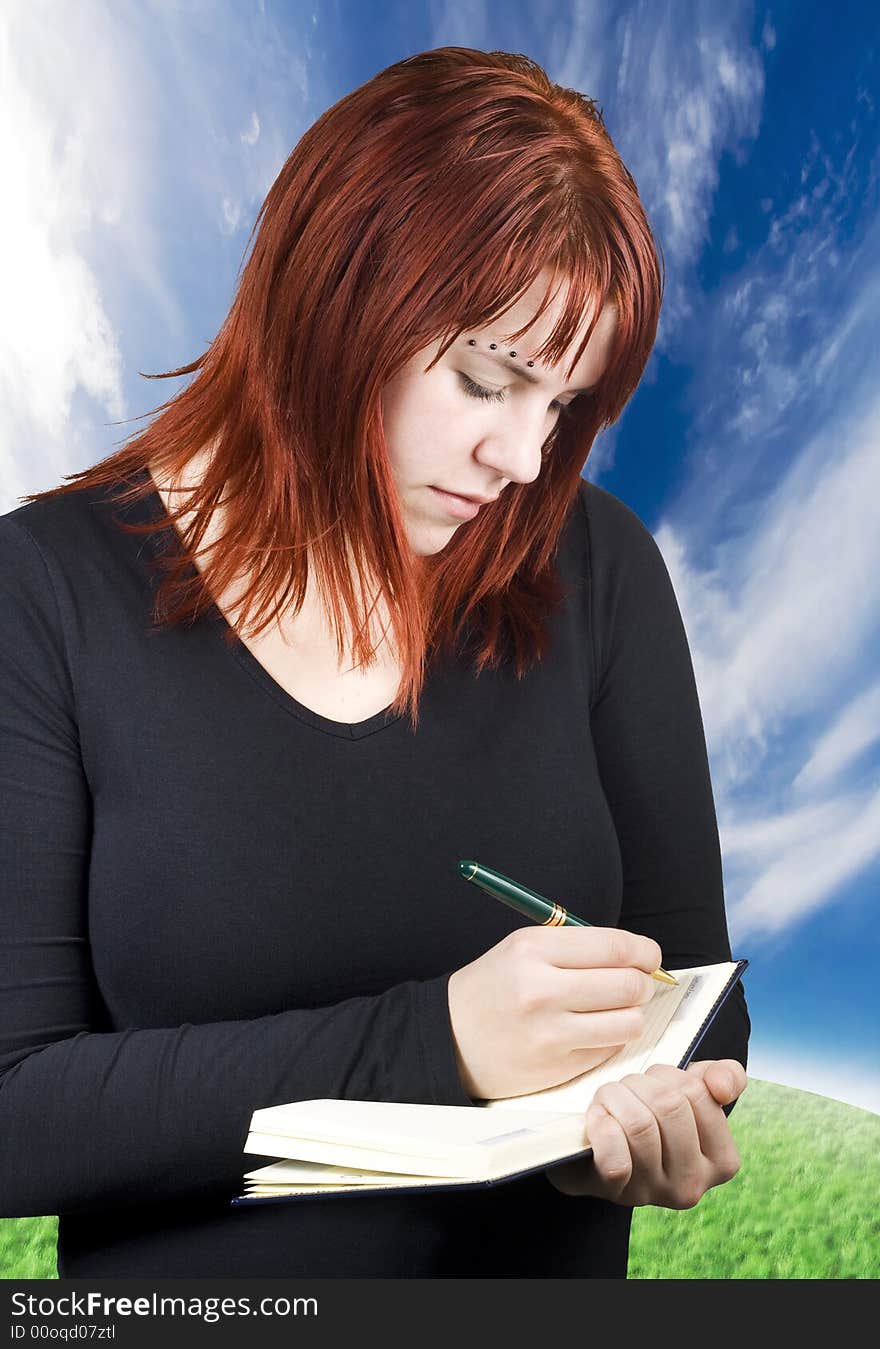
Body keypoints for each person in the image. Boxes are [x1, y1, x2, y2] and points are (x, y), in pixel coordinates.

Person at [0, 46, 749, 1279]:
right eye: (486, 379)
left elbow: (695, 990)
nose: (522, 455)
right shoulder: (46, 594)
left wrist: (650, 1111)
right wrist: (438, 1042)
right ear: (335, 300)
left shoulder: (601, 570)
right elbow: (16, 1111)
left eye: (563, 405)